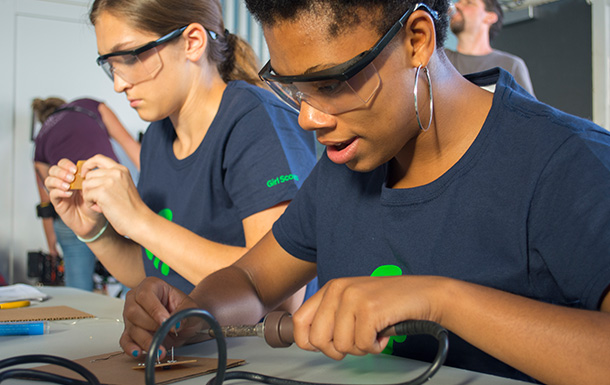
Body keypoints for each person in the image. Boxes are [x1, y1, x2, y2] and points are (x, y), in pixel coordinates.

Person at [117, 0, 610, 383]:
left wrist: (440, 301)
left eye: (329, 84)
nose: (309, 119)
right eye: (294, 89)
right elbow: (250, 279)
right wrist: (191, 316)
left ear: (418, 39)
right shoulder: (345, 167)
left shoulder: (568, 162)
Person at [45, 0, 317, 309]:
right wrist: (96, 232)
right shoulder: (158, 138)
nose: (119, 84)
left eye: (131, 57)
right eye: (111, 65)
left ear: (192, 42)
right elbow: (157, 271)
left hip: (267, 352)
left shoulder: (255, 120)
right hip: (197, 343)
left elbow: (285, 295)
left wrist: (140, 220)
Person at [33, 97, 138, 291]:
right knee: (137, 278)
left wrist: (51, 248)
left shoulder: (40, 140)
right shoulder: (88, 105)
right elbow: (131, 146)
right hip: (107, 185)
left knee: (78, 290)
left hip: (71, 202)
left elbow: (47, 204)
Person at [445, 0, 535, 96]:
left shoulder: (511, 65)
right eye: (458, 2)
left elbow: (529, 110)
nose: (457, 5)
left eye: (468, 2)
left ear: (490, 17)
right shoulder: (441, 58)